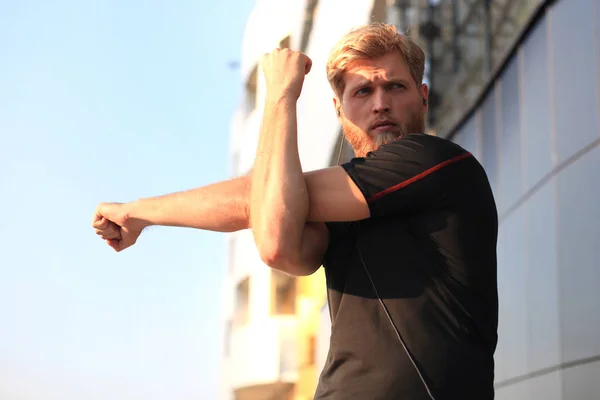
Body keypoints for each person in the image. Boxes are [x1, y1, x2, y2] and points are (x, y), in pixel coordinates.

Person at [93, 23, 498, 400]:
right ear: (339, 109)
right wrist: (137, 213)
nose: (381, 104)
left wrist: (280, 94)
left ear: (422, 98)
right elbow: (276, 238)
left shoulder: (438, 162)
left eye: (395, 87)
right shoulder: (335, 206)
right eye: (362, 92)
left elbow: (267, 202)